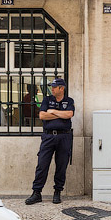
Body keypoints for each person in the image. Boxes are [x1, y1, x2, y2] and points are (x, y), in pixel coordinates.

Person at [24, 77, 75, 205]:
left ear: (61, 88)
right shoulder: (47, 100)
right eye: (51, 87)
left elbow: (69, 114)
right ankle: (37, 192)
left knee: (61, 165)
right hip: (48, 137)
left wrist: (52, 112)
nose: (52, 89)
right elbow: (42, 115)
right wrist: (59, 113)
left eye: (54, 87)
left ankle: (57, 192)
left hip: (64, 137)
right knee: (42, 164)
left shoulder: (69, 101)